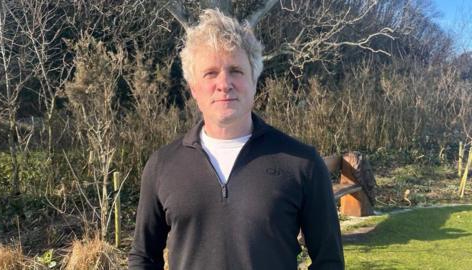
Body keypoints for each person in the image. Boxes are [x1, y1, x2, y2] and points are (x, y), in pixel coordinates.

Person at [128, 9, 344, 270]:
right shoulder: (162, 165)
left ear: (254, 80)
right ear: (193, 88)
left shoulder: (301, 163)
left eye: (236, 71)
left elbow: (329, 261)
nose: (224, 83)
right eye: (210, 73)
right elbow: (143, 259)